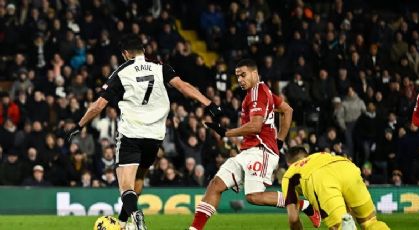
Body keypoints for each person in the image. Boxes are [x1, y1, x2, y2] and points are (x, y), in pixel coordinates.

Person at [65, 34, 221, 230]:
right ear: (144, 51)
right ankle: (123, 223)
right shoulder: (160, 67)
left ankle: (136, 216)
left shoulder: (121, 72)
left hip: (131, 133)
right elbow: (183, 87)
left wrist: (79, 125)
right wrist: (209, 104)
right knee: (139, 177)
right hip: (155, 136)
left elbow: (98, 106)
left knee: (125, 184)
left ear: (125, 54)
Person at [189, 59, 320, 230]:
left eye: (243, 75)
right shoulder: (261, 93)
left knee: (254, 197)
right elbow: (287, 110)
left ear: (255, 73)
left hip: (261, 151)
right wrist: (279, 140)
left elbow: (256, 126)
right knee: (216, 185)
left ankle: (304, 205)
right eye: (237, 77)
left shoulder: (258, 93)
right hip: (248, 151)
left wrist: (227, 133)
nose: (240, 80)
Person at [281, 146, 389, 230]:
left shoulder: (289, 174)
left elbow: (293, 218)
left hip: (320, 177)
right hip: (346, 166)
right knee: (370, 221)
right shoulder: (320, 155)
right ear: (307, 155)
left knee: (339, 226)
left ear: (288, 163)